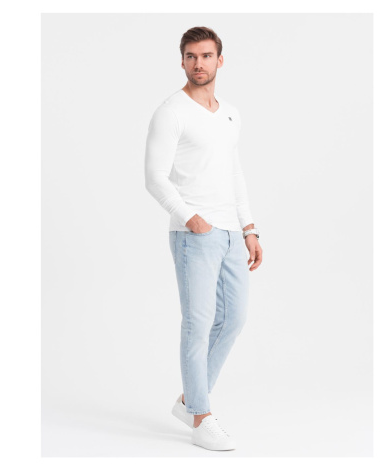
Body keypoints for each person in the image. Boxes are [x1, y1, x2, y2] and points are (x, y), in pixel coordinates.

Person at [144, 26, 263, 451]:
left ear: (220, 60)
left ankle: (189, 400)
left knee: (234, 319)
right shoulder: (171, 112)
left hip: (230, 231)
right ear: (182, 61)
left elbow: (234, 173)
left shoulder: (230, 113)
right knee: (197, 324)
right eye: (191, 56)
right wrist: (191, 218)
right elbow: (154, 177)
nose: (199, 63)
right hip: (195, 234)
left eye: (206, 55)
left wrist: (248, 228)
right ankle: (200, 417)